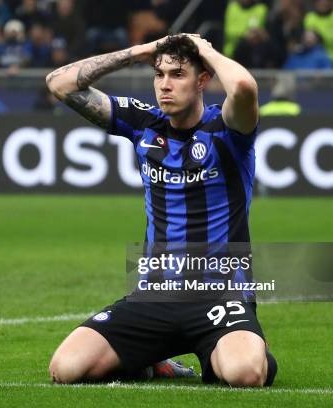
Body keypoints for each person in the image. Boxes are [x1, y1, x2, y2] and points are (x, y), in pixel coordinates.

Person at [45, 34, 277, 387]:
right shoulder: (143, 124)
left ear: (202, 80)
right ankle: (156, 361)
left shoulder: (227, 131)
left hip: (219, 297)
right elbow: (58, 83)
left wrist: (205, 51)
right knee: (66, 368)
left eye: (178, 74)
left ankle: (246, 347)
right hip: (154, 298)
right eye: (159, 74)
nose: (165, 85)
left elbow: (244, 85)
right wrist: (142, 51)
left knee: (245, 374)